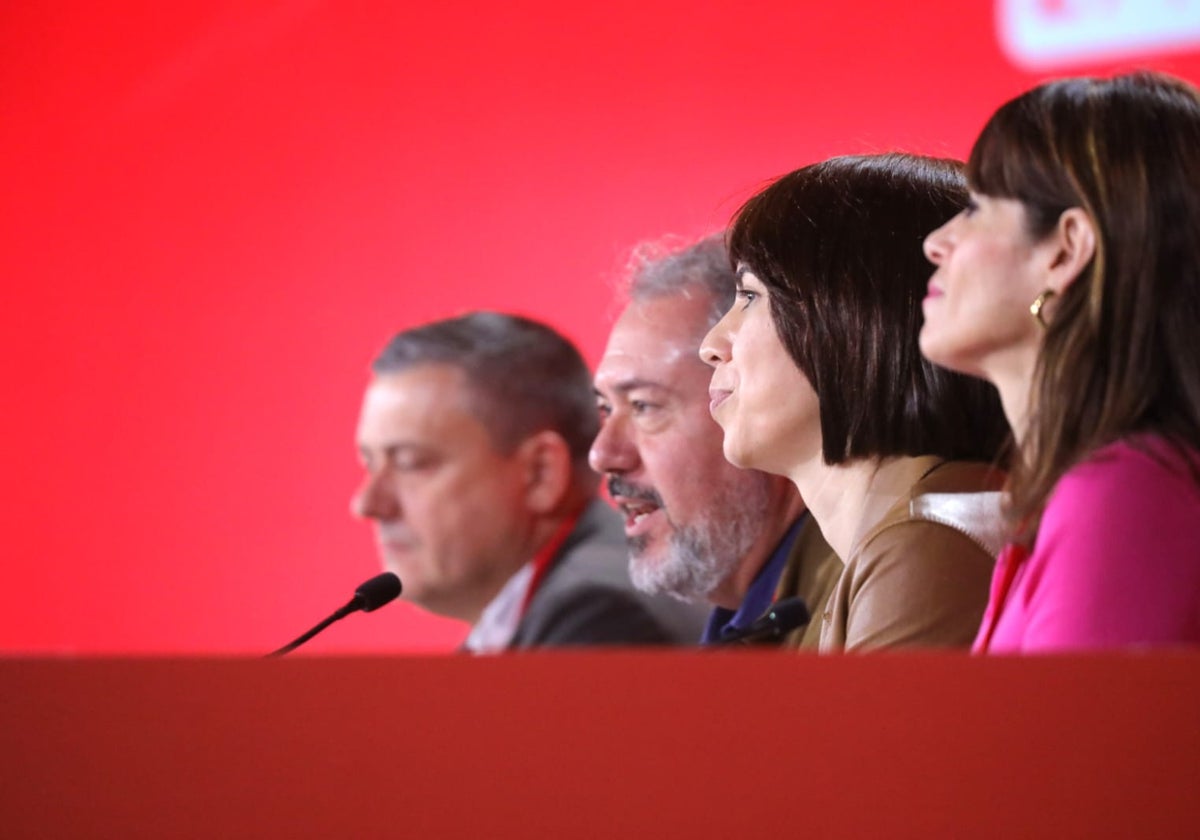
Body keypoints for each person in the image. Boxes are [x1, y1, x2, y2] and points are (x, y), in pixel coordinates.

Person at [920, 72, 1200, 652]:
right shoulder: (1085, 492)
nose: (935, 242)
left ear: (1067, 249)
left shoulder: (1123, 492)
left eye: (974, 209)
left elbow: (1069, 746)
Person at [700, 153, 1011, 651]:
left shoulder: (930, 540)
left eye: (751, 297)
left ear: (855, 318)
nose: (712, 344)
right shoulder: (888, 542)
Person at [351, 311, 707, 650]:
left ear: (540, 474)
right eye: (370, 463)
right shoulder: (557, 605)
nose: (368, 504)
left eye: (412, 463)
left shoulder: (601, 620)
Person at [590, 235, 842, 646]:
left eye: (643, 406)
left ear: (754, 398)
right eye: (604, 408)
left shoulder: (857, 596)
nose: (603, 455)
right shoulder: (752, 618)